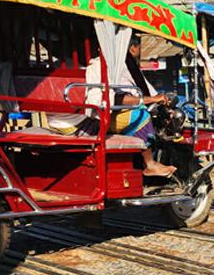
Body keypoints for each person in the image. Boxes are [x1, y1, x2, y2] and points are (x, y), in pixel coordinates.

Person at [48, 34, 175, 176]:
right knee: (140, 116)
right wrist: (149, 99)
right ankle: (150, 164)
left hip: (55, 121)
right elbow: (114, 98)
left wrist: (150, 98)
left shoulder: (63, 64)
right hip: (78, 123)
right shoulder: (99, 66)